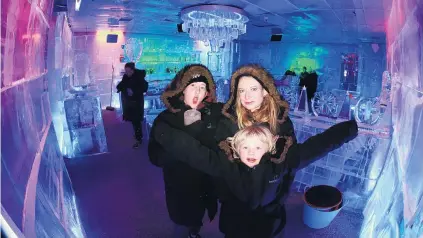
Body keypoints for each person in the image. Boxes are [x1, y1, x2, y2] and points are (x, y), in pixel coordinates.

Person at [151, 64, 357, 237]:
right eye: (241, 91)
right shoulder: (228, 122)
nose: (246, 96)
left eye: (252, 89)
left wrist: (347, 130)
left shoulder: (281, 124)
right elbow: (209, 157)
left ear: (265, 91)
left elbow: (301, 155)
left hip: (271, 215)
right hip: (234, 213)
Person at [148, 64, 222, 238]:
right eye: (193, 87)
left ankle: (194, 232)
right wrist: (182, 146)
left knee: (197, 218)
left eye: (202, 88)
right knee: (182, 222)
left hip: (205, 183)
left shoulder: (211, 115)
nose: (197, 92)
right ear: (182, 90)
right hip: (181, 185)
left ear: (207, 92)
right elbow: (155, 156)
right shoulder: (166, 119)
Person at [116, 62, 148, 148]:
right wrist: (119, 87)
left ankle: (139, 139)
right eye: (125, 71)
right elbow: (123, 84)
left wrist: (134, 91)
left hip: (137, 102)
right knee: (134, 121)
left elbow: (144, 88)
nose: (126, 73)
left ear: (133, 70)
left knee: (136, 121)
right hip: (129, 103)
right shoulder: (126, 76)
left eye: (128, 71)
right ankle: (138, 135)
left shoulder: (139, 77)